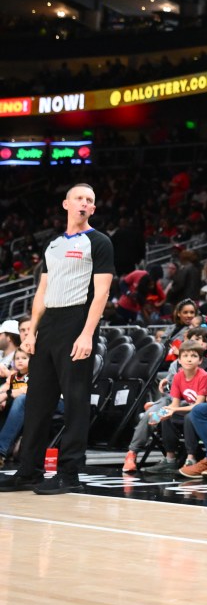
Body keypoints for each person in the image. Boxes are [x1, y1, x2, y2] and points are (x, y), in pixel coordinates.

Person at [0, 183, 113, 496]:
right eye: (78, 198)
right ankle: (28, 472)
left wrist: (88, 333)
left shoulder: (99, 242)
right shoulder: (53, 245)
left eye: (89, 200)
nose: (83, 203)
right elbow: (41, 291)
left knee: (76, 399)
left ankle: (70, 472)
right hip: (48, 324)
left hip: (78, 321)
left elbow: (102, 292)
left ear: (92, 209)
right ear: (66, 204)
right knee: (37, 402)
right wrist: (32, 329)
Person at [146, 341, 207, 474]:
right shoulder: (177, 376)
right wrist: (159, 413)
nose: (189, 359)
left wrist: (173, 410)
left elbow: (198, 405)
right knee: (167, 417)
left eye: (194, 356)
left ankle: (191, 458)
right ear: (179, 360)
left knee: (189, 417)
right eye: (185, 356)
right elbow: (174, 404)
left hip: (204, 412)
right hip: (188, 410)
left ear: (200, 361)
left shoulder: (203, 376)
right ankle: (170, 458)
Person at [0, 348, 33, 469]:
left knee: (20, 399)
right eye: (17, 358)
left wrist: (6, 396)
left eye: (24, 358)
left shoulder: (34, 375)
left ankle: (1, 450)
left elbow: (27, 391)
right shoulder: (13, 377)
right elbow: (3, 389)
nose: (20, 361)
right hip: (16, 406)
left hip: (33, 404)